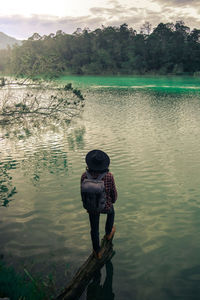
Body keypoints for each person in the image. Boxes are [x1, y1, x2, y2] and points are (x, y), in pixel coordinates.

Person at [81, 149, 117, 259]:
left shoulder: (84, 176)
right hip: (105, 206)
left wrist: (86, 207)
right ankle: (108, 233)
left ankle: (97, 251)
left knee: (94, 229)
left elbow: (82, 194)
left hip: (92, 208)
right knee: (111, 213)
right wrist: (112, 202)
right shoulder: (109, 176)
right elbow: (113, 193)